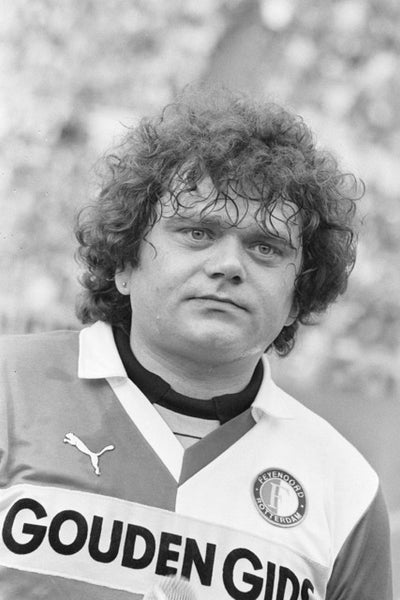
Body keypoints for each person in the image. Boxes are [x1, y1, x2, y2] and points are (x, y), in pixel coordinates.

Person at [0, 87, 392, 600]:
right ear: (124, 262)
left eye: (265, 248)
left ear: (298, 297)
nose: (228, 265)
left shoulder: (346, 488)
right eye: (198, 233)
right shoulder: (9, 390)